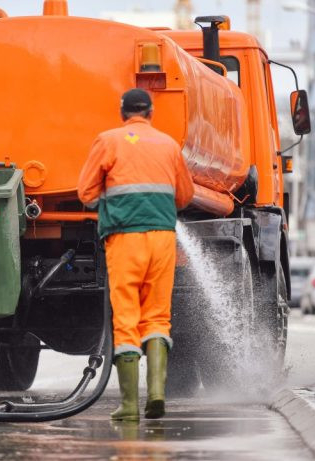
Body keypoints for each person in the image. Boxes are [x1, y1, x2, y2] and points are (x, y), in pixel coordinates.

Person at [77, 89, 194, 421]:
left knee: (126, 319)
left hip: (124, 239)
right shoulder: (169, 145)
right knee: (157, 317)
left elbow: (85, 192)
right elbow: (184, 196)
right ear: (152, 112)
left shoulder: (108, 141)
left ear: (122, 112)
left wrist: (112, 200)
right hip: (162, 239)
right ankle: (157, 395)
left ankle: (129, 407)